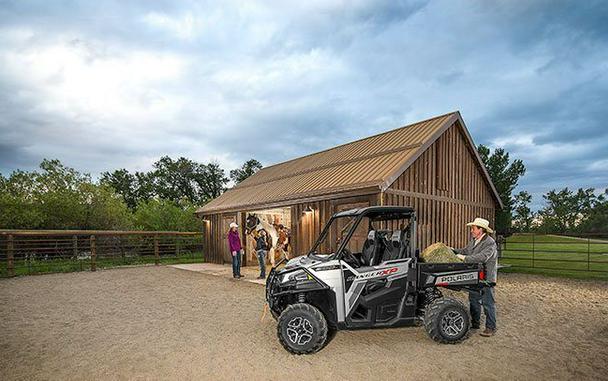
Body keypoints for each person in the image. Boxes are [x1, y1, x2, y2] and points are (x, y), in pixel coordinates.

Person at [454, 217, 498, 337]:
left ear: (481, 230)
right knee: (473, 300)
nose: (471, 231)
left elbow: (483, 257)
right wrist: (453, 251)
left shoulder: (490, 243)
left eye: (473, 228)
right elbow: (465, 250)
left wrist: (464, 258)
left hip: (486, 278)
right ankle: (475, 323)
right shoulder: (474, 241)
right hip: (475, 276)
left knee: (488, 303)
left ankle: (491, 327)